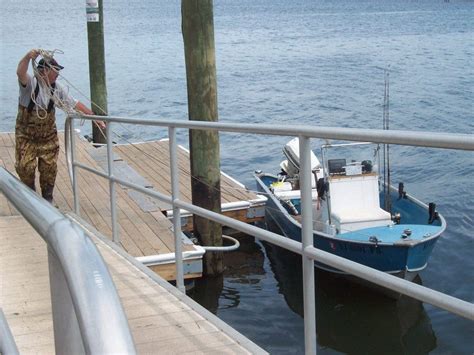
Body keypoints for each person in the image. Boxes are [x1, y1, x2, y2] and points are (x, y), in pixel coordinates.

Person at [15, 49, 105, 203]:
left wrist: (94, 117)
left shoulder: (57, 88)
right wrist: (27, 57)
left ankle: (47, 199)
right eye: (55, 71)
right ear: (44, 71)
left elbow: (74, 103)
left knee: (49, 169)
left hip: (47, 137)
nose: (58, 74)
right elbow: (20, 72)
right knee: (25, 167)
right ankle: (30, 196)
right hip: (26, 137)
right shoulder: (30, 84)